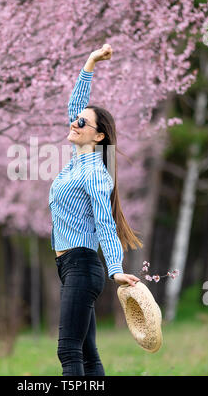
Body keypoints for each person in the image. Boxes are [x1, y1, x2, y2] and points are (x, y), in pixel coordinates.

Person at [49, 44, 143, 376]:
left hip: (83, 266)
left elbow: (105, 222)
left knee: (68, 351)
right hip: (68, 265)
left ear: (98, 135)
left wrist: (115, 268)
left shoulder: (94, 173)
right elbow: (77, 105)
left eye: (82, 123)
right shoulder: (79, 161)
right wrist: (90, 62)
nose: (74, 123)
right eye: (76, 120)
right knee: (88, 354)